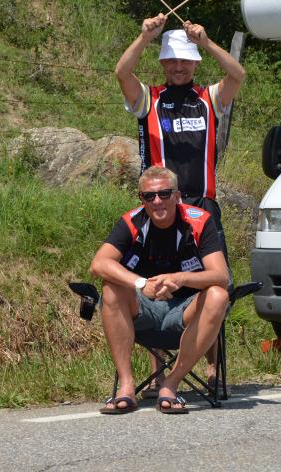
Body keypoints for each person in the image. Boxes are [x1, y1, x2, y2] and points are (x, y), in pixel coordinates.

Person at [115, 14, 245, 386]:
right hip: (160, 205)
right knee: (155, 283)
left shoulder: (210, 98)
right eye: (171, 60)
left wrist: (206, 42)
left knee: (214, 287)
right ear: (162, 63)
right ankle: (158, 371)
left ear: (195, 63)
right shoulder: (149, 99)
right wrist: (144, 36)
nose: (178, 66)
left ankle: (212, 367)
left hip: (201, 205)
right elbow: (122, 73)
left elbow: (237, 75)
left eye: (185, 60)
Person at [90, 166, 229, 414]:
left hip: (186, 309)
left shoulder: (199, 221)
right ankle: (126, 386)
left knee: (219, 295)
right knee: (111, 288)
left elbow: (221, 276)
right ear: (141, 199)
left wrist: (181, 279)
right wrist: (142, 284)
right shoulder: (132, 221)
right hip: (146, 309)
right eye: (149, 196)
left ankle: (171, 384)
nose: (157, 201)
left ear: (177, 196)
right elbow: (99, 264)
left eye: (164, 194)